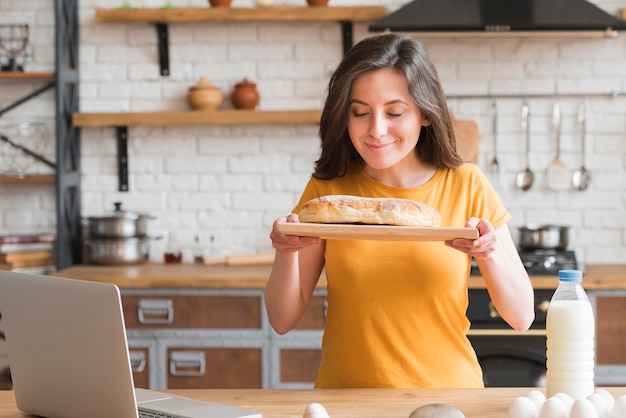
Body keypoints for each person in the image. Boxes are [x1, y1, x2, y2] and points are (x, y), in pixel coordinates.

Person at [264, 33, 534, 389]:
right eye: (360, 112)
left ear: (425, 114)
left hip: (448, 401)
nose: (376, 130)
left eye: (394, 112)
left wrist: (490, 254)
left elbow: (522, 317)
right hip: (346, 401)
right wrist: (286, 253)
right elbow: (282, 320)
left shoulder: (466, 184)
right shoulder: (328, 194)